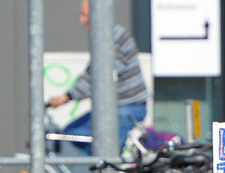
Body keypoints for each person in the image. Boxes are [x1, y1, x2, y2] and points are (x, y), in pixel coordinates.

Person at [48, 0, 149, 156]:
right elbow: (91, 73)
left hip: (127, 106)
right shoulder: (104, 38)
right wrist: (68, 95)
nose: (82, 20)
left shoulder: (112, 38)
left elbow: (101, 75)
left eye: (85, 15)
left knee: (107, 159)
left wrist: (68, 96)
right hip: (120, 107)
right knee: (73, 132)